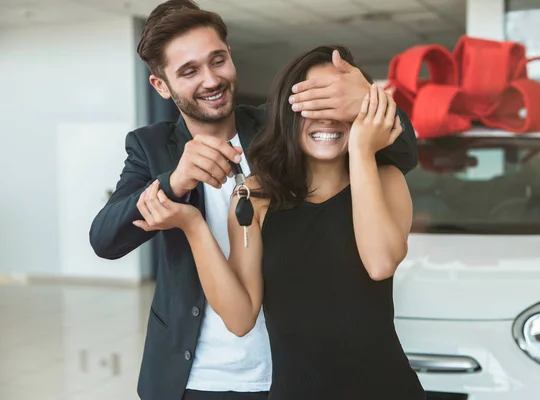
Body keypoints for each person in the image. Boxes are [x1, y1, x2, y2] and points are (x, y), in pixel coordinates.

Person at [89, 1, 419, 399]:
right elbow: (105, 239)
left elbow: (401, 152)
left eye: (218, 60)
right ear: (162, 85)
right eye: (189, 71)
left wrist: (367, 100)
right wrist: (173, 181)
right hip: (196, 374)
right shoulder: (151, 147)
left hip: (284, 370)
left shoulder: (280, 127)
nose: (211, 79)